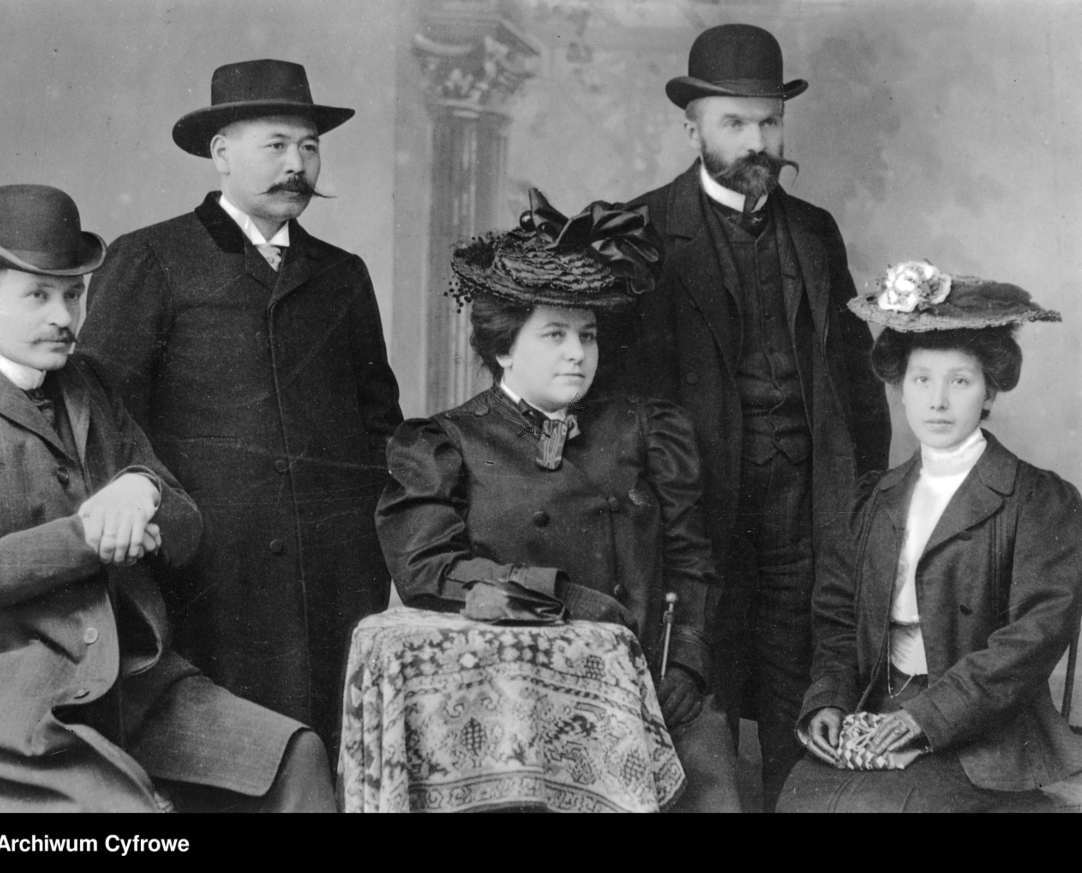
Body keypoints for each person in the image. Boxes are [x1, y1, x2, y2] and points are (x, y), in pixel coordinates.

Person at [0, 184, 336, 812]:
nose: (64, 317)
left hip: (138, 683)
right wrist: (85, 537)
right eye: (38, 295)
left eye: (73, 294)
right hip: (20, 706)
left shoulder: (89, 384)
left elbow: (185, 526)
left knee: (297, 753)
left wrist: (142, 487)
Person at [601, 23, 892, 809]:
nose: (756, 141)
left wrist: (859, 495)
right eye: (734, 122)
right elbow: (617, 400)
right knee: (702, 710)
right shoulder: (643, 232)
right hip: (695, 519)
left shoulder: (814, 231)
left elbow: (859, 385)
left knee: (805, 697)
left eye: (769, 121)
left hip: (804, 513)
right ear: (691, 126)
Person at [375, 190, 741, 812]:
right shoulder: (448, 442)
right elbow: (427, 570)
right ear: (503, 347)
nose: (578, 353)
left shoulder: (648, 429)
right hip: (520, 704)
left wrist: (686, 663)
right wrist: (562, 596)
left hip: (655, 690)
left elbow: (692, 561)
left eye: (587, 335)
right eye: (555, 334)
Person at [77, 60, 403, 748]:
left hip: (335, 577)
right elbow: (102, 416)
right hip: (209, 576)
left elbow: (380, 421)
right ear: (221, 153)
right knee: (229, 759)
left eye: (309, 146)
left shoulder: (343, 274)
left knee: (330, 755)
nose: (297, 164)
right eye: (276, 144)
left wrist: (371, 544)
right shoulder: (151, 257)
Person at [777, 262, 1082, 812]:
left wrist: (928, 716)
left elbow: (1032, 639)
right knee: (797, 800)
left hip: (985, 729)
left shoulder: (1040, 500)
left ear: (989, 392)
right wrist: (829, 700)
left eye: (959, 381)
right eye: (921, 380)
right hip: (879, 702)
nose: (937, 401)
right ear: (900, 389)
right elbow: (838, 620)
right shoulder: (874, 499)